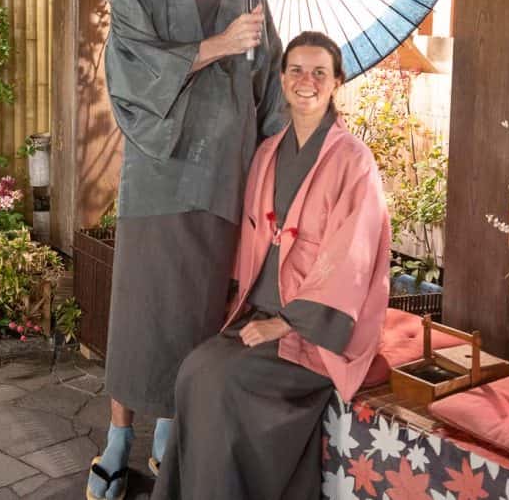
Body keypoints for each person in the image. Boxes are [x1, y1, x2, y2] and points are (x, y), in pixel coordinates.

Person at [88, 0, 287, 500]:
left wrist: (289, 152)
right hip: (159, 171)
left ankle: (172, 440)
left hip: (223, 177)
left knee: (198, 320)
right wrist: (217, 45)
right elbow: (132, 70)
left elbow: (269, 82)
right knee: (141, 312)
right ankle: (118, 441)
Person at [151, 31, 392, 500]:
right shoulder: (268, 153)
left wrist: (285, 324)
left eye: (320, 72)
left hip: (318, 332)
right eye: (297, 70)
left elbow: (352, 260)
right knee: (195, 369)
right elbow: (250, 244)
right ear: (282, 79)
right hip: (265, 314)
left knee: (224, 382)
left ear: (337, 82)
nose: (307, 81)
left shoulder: (354, 162)